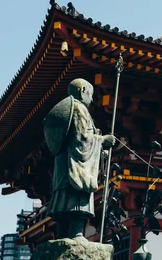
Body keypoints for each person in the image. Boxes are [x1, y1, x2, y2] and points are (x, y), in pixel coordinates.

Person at [43, 78, 115, 239]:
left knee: (63, 201)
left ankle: (62, 235)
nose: (91, 99)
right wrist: (103, 140)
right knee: (76, 199)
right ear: (83, 91)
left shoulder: (68, 109)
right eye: (91, 94)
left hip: (63, 165)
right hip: (74, 165)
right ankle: (76, 234)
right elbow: (82, 139)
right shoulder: (79, 109)